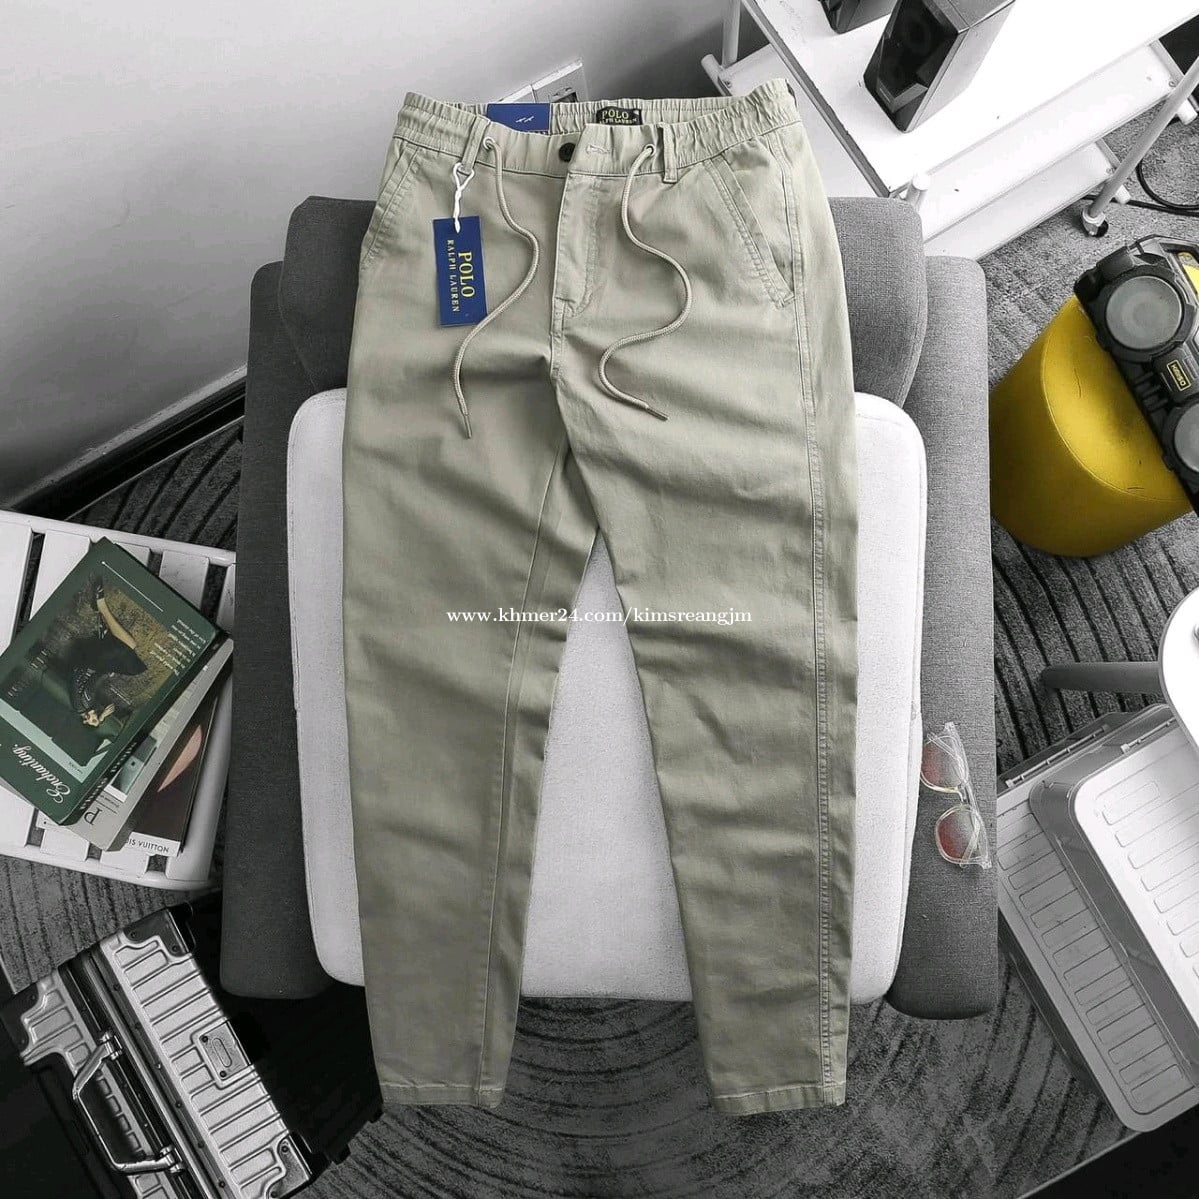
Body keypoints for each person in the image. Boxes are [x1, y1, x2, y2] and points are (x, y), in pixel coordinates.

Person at [59, 575, 149, 731]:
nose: (95, 717)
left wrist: (109, 673)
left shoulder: (84, 705)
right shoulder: (79, 707)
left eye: (94, 720)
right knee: (128, 660)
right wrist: (101, 717)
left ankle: (101, 607)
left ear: (85, 721)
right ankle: (104, 636)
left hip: (91, 662)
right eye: (97, 720)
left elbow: (92, 683)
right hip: (89, 662)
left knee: (130, 648)